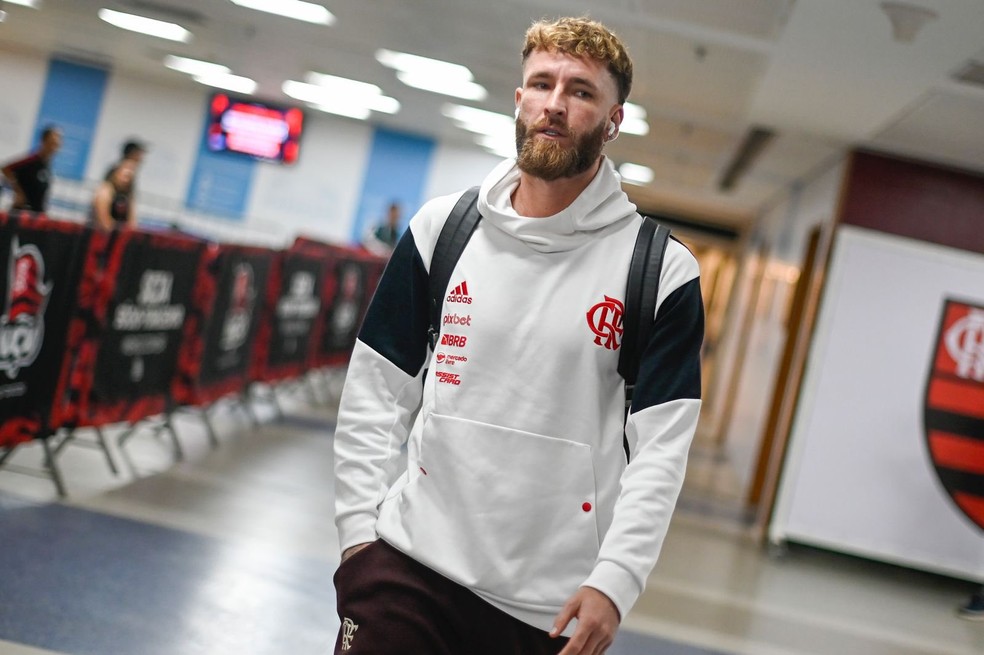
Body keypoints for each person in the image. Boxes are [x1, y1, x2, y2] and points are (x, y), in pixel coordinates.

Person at [332, 16, 704, 655]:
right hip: (405, 569)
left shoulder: (660, 270)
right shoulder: (441, 230)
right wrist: (357, 537)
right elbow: (376, 390)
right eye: (541, 83)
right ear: (519, 98)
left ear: (613, 120)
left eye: (581, 91)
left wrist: (616, 581)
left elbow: (661, 449)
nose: (555, 104)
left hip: (544, 609)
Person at [1, 125, 62, 213]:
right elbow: (6, 169)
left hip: (37, 213)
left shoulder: (47, 164)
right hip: (22, 212)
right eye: (52, 143)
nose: (55, 147)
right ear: (44, 142)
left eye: (56, 144)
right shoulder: (32, 160)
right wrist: (18, 191)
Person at [89, 158, 138, 230]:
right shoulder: (105, 191)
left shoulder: (128, 195)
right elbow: (104, 222)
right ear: (116, 173)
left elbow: (132, 223)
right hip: (97, 232)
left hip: (117, 232)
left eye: (130, 177)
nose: (126, 180)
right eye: (125, 176)